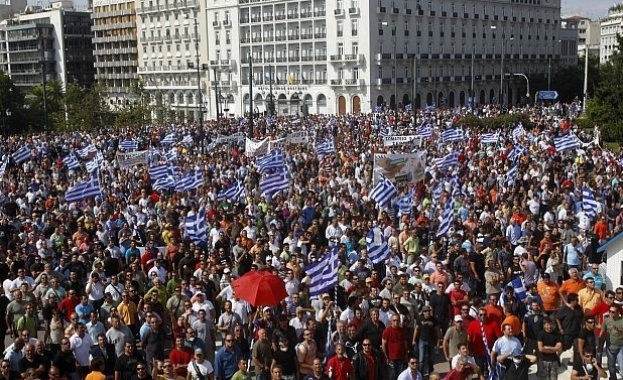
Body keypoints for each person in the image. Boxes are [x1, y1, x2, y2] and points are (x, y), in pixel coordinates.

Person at [600, 304, 623, 380]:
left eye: (613, 312)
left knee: (622, 367)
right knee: (611, 365)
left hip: (620, 347)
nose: (611, 313)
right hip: (610, 347)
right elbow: (602, 332)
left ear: (618, 312)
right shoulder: (606, 321)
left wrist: (618, 330)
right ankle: (613, 378)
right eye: (610, 311)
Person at [381, 315, 408, 380]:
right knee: (392, 376)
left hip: (401, 358)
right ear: (391, 321)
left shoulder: (402, 331)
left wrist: (406, 354)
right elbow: (383, 345)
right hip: (391, 359)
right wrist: (386, 357)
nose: (396, 322)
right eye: (394, 320)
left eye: (397, 320)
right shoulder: (387, 331)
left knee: (401, 376)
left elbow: (405, 343)